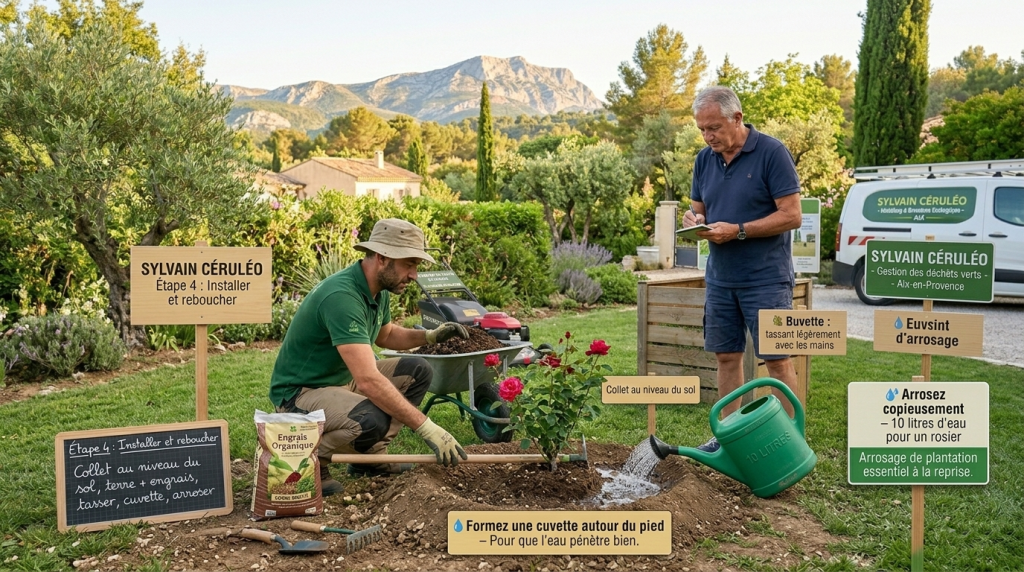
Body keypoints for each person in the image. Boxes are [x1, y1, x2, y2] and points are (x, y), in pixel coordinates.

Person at [269, 218, 470, 495]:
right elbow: (367, 381)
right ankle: (309, 461)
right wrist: (428, 428)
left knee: (418, 371)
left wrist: (429, 336)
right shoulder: (342, 297)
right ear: (382, 258)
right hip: (300, 394)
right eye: (409, 264)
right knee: (370, 417)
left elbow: (385, 335)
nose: (414, 275)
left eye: (416, 266)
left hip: (339, 382)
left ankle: (370, 460)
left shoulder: (376, 289)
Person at [681, 86, 803, 453]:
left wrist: (739, 230)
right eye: (702, 129)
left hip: (766, 278)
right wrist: (695, 220)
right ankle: (728, 438)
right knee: (726, 356)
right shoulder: (704, 159)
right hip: (720, 278)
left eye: (714, 127)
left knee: (777, 361)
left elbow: (792, 215)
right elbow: (698, 208)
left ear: (737, 118)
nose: (708, 136)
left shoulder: (771, 153)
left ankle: (791, 442)